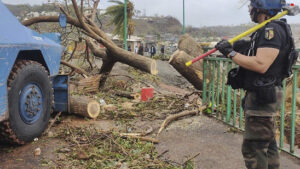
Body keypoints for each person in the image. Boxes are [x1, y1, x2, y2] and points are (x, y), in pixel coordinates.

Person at [215, 0, 297, 169]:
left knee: (254, 148)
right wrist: (240, 48)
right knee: (266, 143)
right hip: (263, 94)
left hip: (263, 97)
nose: (249, 10)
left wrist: (231, 53)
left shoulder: (271, 30)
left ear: (262, 7)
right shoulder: (267, 29)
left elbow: (261, 64)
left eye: (251, 6)